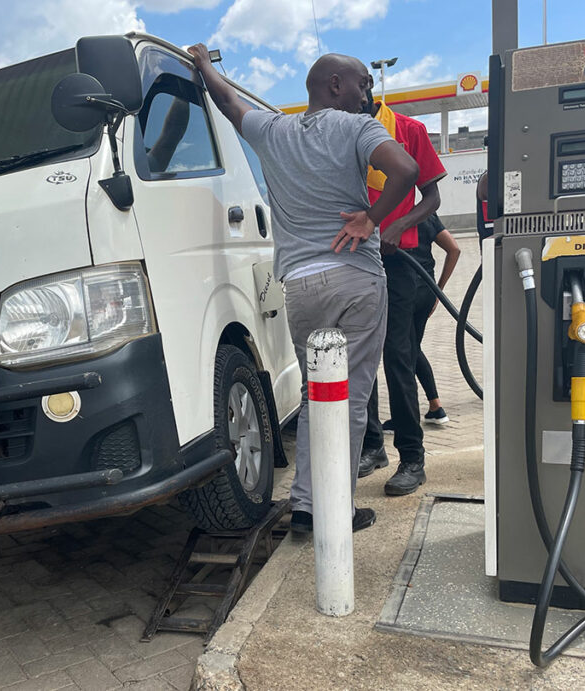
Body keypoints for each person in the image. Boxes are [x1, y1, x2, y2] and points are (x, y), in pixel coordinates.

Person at [187, 44, 419, 535]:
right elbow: (406, 171)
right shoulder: (358, 127)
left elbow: (229, 103)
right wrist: (371, 219)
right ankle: (336, 510)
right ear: (335, 84)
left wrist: (204, 66)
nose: (368, 96)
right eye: (363, 84)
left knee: (318, 398)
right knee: (351, 400)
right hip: (355, 279)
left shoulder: (273, 131)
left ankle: (304, 507)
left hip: (301, 287)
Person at [358, 83, 447, 496]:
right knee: (361, 357)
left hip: (398, 263)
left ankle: (412, 457)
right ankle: (373, 446)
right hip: (354, 262)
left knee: (398, 357)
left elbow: (432, 196)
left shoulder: (408, 129)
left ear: (363, 90)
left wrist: (400, 225)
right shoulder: (339, 134)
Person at [379, 213, 460, 431]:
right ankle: (435, 406)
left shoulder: (388, 217)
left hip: (401, 294)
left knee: (402, 353)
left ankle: (406, 417)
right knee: (411, 348)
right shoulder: (425, 214)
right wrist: (438, 290)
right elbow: (454, 249)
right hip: (425, 292)